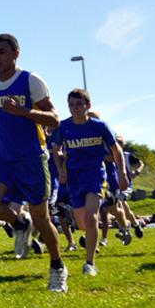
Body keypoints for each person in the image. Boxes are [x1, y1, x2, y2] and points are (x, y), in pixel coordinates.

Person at [0, 34, 67, 292]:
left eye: (2, 52)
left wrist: (24, 112)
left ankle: (58, 266)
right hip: (4, 158)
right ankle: (19, 223)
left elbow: (54, 119)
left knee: (42, 219)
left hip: (32, 159)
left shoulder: (31, 81)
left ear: (16, 53)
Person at [51, 89, 128, 276]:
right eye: (71, 105)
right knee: (82, 224)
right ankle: (75, 217)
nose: (75, 108)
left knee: (92, 216)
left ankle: (90, 263)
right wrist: (61, 169)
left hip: (95, 177)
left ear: (88, 106)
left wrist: (122, 173)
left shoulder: (99, 126)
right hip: (74, 179)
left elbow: (116, 150)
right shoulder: (64, 127)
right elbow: (55, 149)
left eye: (78, 104)